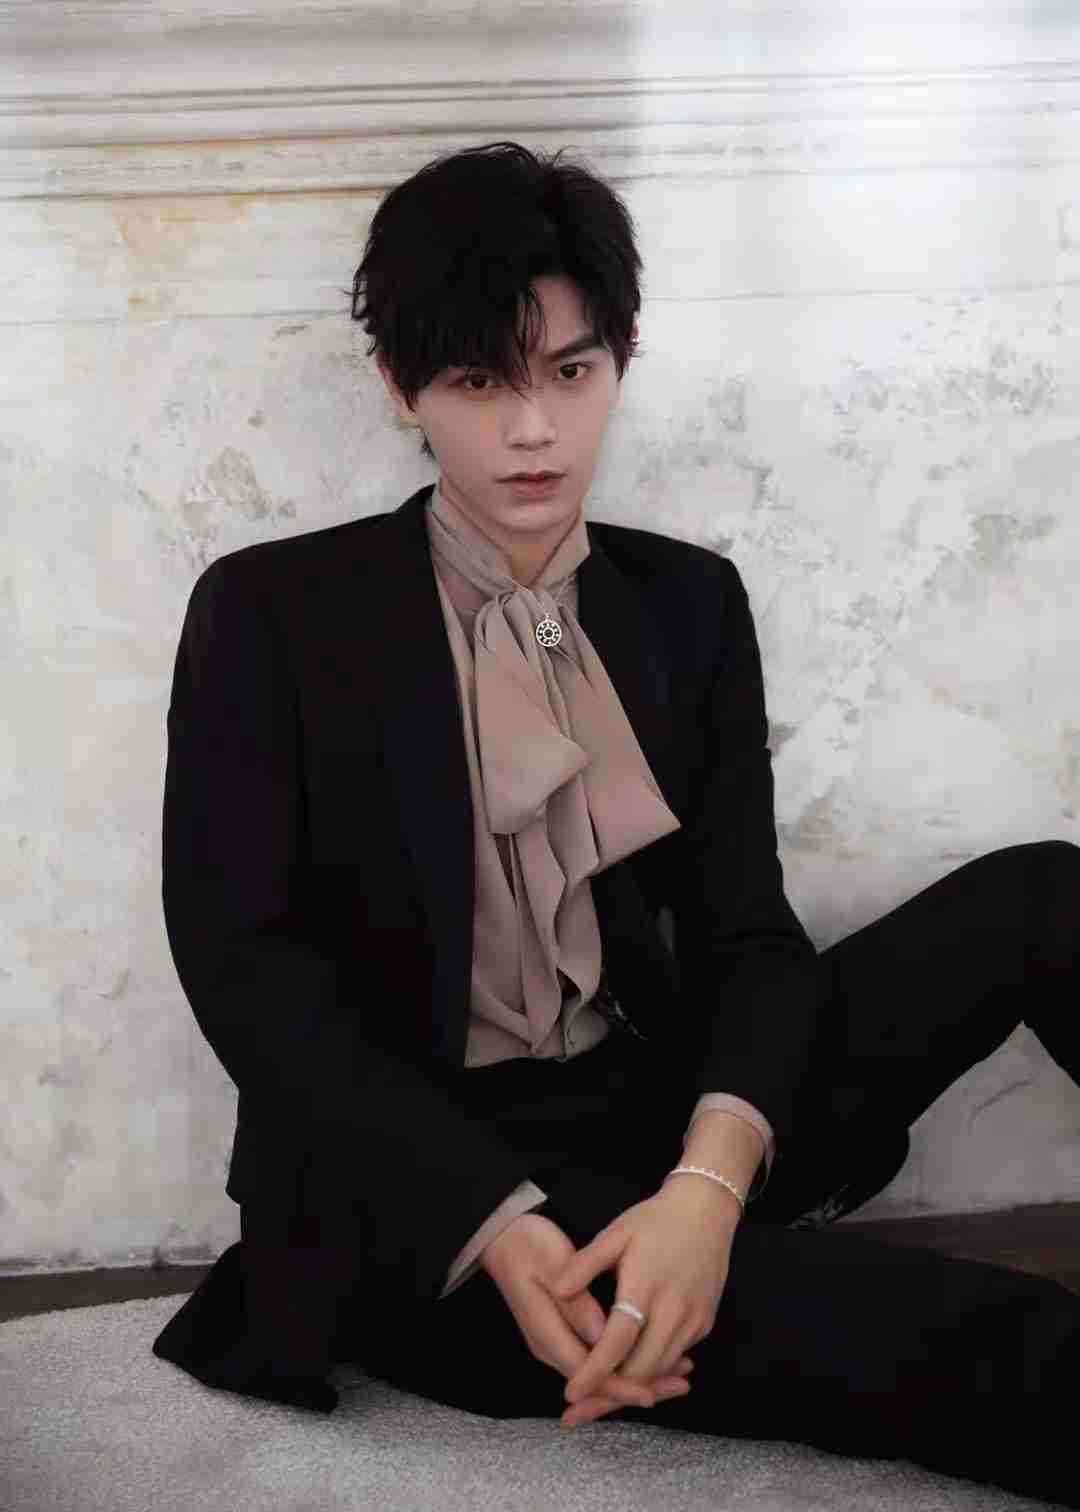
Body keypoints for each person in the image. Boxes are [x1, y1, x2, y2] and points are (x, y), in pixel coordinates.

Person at [152, 141, 1080, 1506]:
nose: (535, 430)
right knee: (946, 1330)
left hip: (662, 1107)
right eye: (482, 383)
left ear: (620, 362)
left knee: (1046, 898)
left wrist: (707, 1187)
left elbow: (750, 936)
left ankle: (713, 1230)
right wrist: (494, 1224)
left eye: (572, 373)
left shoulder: (687, 603)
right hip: (422, 1189)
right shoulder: (271, 613)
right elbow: (249, 975)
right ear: (402, 387)